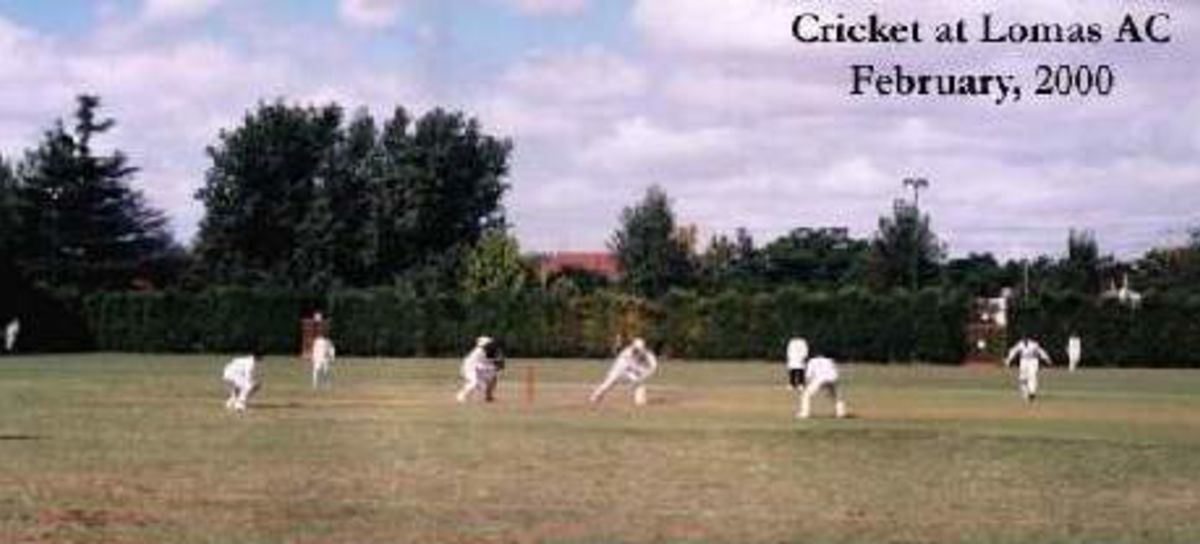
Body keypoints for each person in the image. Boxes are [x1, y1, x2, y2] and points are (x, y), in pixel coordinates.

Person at [590, 338, 658, 406]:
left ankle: (639, 401)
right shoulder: (626, 353)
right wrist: (642, 371)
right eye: (636, 349)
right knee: (608, 384)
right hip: (618, 371)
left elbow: (652, 363)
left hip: (628, 372)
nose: (637, 351)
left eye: (639, 349)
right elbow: (631, 366)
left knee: (638, 382)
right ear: (633, 346)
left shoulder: (643, 352)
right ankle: (595, 397)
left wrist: (648, 370)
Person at [456, 337, 504, 403]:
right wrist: (495, 364)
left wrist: (496, 365)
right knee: (474, 383)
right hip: (469, 368)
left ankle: (488, 396)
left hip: (478, 368)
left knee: (493, 376)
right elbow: (484, 364)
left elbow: (494, 364)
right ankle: (461, 395)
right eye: (489, 344)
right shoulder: (479, 352)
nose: (492, 346)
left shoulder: (487, 350)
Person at [1005, 337, 1053, 402]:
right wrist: (1008, 360)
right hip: (1023, 361)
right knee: (1023, 378)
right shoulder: (1020, 344)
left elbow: (1040, 351)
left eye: (1026, 340)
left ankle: (1032, 393)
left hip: (1033, 361)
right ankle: (1025, 393)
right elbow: (1013, 351)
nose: (1025, 341)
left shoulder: (1034, 344)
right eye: (1024, 340)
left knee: (1032, 376)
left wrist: (1047, 358)